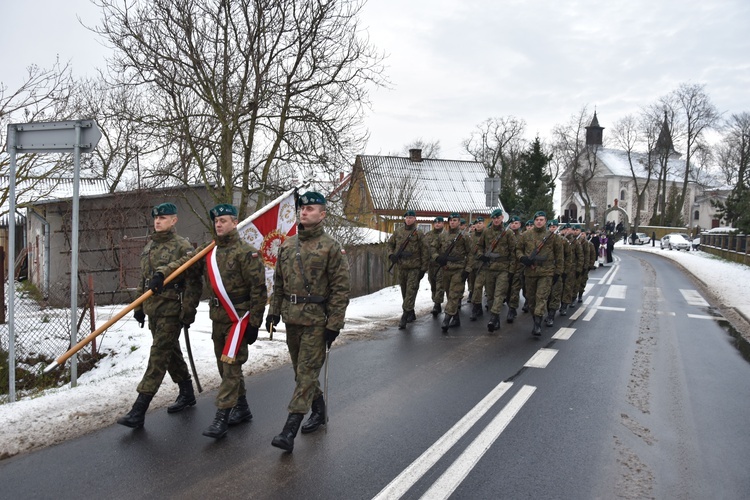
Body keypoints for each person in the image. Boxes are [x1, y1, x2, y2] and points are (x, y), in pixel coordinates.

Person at [152, 203, 267, 439]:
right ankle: (242, 408)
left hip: (239, 318)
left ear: (235, 223)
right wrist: (162, 273)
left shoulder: (247, 252)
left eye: (224, 221)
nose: (219, 224)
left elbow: (259, 290)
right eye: (216, 221)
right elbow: (183, 263)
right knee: (225, 367)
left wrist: (255, 322)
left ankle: (221, 416)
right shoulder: (209, 251)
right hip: (218, 318)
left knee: (231, 366)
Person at [266, 192, 350, 452]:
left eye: (311, 208)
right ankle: (319, 410)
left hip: (316, 321)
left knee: (305, 375)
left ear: (322, 214)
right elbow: (278, 282)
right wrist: (273, 311)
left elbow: (340, 288)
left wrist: (334, 323)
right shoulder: (288, 245)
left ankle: (289, 430)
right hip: (292, 319)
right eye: (302, 208)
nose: (304, 212)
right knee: (300, 373)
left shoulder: (330, 246)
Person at [117, 203, 203, 429]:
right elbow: (144, 281)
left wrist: (189, 311)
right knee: (170, 352)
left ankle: (139, 409)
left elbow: (194, 282)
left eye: (163, 218)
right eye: (156, 218)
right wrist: (138, 307)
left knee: (158, 357)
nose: (158, 221)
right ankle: (187, 393)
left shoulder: (182, 247)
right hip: (153, 309)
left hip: (171, 310)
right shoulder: (149, 247)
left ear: (174, 220)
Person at [515, 211, 563, 336]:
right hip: (530, 271)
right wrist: (522, 258)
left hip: (546, 272)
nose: (539, 222)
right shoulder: (526, 235)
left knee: (541, 297)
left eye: (542, 219)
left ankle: (537, 324)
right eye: (537, 220)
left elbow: (559, 256)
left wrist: (558, 272)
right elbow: (518, 249)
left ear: (545, 221)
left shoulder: (553, 237)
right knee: (531, 299)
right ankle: (535, 317)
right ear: (534, 221)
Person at [474, 209, 516, 332]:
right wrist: (481, 255)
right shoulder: (486, 232)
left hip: (503, 268)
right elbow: (480, 246)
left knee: (499, 294)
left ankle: (493, 317)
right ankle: (496, 318)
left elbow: (513, 252)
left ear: (502, 218)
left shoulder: (508, 234)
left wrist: (512, 270)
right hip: (489, 268)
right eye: (494, 218)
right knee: (490, 295)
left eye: (498, 218)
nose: (496, 220)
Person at [432, 212, 474, 332]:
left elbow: (471, 253)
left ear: (459, 222)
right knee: (448, 294)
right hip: (445, 269)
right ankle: (456, 318)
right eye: (450, 220)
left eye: (455, 220)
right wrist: (437, 257)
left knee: (454, 294)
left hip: (459, 269)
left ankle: (447, 318)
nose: (452, 222)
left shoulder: (464, 236)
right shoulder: (442, 236)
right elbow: (433, 247)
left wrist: (467, 269)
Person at [387, 210, 429, 329]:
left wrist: (423, 268)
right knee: (405, 292)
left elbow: (425, 251)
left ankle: (404, 316)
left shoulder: (419, 233)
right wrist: (391, 255)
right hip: (402, 267)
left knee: (411, 291)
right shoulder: (398, 232)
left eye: (411, 217)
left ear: (415, 219)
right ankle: (411, 312)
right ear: (404, 219)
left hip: (414, 268)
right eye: (407, 218)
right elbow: (390, 244)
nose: (409, 219)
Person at [424, 216, 445, 316]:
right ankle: (435, 300)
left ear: (443, 224)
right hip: (431, 264)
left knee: (440, 284)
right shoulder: (428, 235)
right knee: (433, 284)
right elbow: (424, 249)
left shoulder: (446, 235)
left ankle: (437, 304)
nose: (437, 224)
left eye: (439, 222)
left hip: (441, 265)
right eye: (436, 223)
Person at [505, 216, 523, 323]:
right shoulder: (506, 236)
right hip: (507, 267)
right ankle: (510, 304)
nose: (514, 225)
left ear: (520, 225)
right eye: (512, 223)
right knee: (506, 290)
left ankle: (512, 309)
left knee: (515, 289)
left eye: (516, 223)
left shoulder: (523, 237)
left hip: (518, 267)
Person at [467, 216, 485, 315]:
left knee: (478, 286)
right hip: (472, 264)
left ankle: (474, 307)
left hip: (482, 265)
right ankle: (478, 306)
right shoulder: (471, 236)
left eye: (480, 223)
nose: (478, 225)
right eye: (477, 223)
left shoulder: (487, 235)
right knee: (473, 287)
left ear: (484, 224)